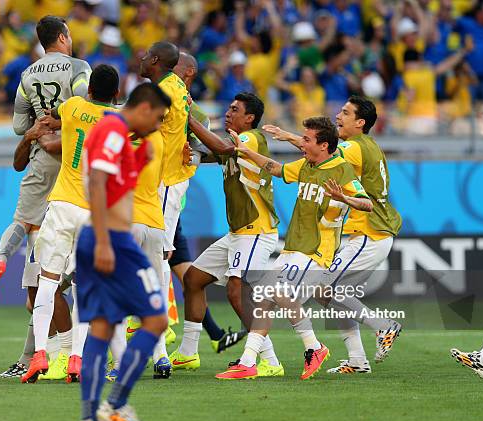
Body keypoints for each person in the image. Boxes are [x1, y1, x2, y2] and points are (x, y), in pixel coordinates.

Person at [0, 16, 90, 377]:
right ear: (62, 36)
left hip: (41, 155)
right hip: (74, 159)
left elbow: (17, 126)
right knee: (53, 277)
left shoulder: (27, 76)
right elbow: (85, 105)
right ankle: (66, 354)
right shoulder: (78, 67)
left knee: (24, 224)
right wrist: (61, 120)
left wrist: (41, 127)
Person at [219, 116, 372, 380]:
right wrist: (247, 152)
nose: (301, 143)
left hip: (316, 251)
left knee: (272, 292)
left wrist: (343, 197)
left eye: (306, 140)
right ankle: (255, 360)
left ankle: (310, 347)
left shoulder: (341, 169)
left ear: (323, 145)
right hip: (294, 248)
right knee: (263, 300)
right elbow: (277, 169)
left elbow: (366, 204)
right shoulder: (307, 165)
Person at [263, 96, 403, 373]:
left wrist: (288, 136)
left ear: (360, 123)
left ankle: (384, 326)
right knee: (330, 292)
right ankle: (357, 359)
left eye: (346, 113)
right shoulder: (365, 146)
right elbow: (319, 147)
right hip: (367, 232)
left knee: (328, 289)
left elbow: (321, 150)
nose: (339, 115)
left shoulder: (352, 147)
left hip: (371, 230)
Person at [76, 82, 171, 421]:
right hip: (111, 239)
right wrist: (104, 241)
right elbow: (98, 182)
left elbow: (112, 181)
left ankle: (90, 419)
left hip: (102, 237)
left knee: (102, 327)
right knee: (156, 319)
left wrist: (138, 160)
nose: (159, 125)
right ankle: (115, 406)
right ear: (144, 108)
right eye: (159, 118)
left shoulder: (116, 135)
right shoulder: (114, 129)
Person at [170, 92, 283, 377]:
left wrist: (188, 119)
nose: (228, 112)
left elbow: (219, 145)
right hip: (238, 233)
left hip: (256, 231)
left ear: (250, 118)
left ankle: (268, 360)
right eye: (229, 108)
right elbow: (210, 151)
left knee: (236, 291)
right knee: (194, 280)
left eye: (235, 109)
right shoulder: (234, 143)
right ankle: (187, 353)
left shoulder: (252, 138)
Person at [20, 64, 120, 383]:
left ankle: (40, 356)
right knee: (83, 286)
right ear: (116, 95)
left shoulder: (75, 106)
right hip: (94, 211)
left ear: (89, 90)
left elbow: (57, 110)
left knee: (47, 281)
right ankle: (77, 359)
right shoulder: (119, 123)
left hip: (63, 204)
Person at [139, 41, 191, 369]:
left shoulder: (164, 92)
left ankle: (158, 348)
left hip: (166, 184)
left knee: (158, 261)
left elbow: (137, 125)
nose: (141, 58)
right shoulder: (175, 86)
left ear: (155, 60)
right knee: (152, 261)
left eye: (146, 55)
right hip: (161, 182)